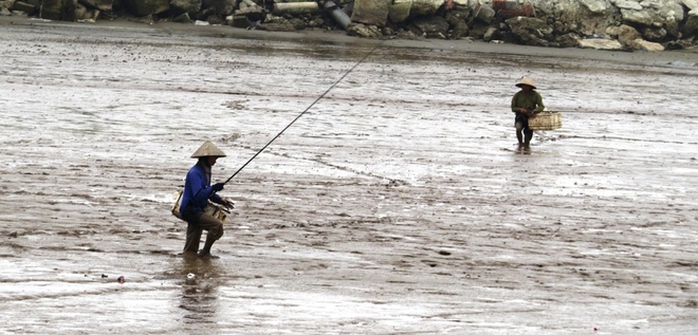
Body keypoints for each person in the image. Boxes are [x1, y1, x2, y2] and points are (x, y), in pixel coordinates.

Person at [179, 141, 234, 258]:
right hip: (191, 210)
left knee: (190, 248)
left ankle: (190, 259)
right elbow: (198, 195)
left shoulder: (205, 171)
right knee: (217, 226)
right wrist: (213, 188)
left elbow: (207, 192)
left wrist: (220, 200)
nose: (215, 161)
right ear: (207, 158)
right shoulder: (195, 173)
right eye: (214, 158)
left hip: (198, 208)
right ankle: (205, 252)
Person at [511, 76, 545, 148]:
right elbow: (513, 108)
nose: (525, 88)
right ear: (521, 86)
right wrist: (520, 109)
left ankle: (526, 145)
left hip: (531, 116)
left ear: (530, 87)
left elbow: (541, 106)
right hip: (520, 116)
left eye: (526, 86)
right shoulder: (517, 95)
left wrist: (534, 111)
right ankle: (520, 144)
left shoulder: (536, 95)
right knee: (518, 128)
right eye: (523, 86)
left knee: (528, 133)